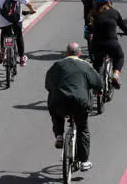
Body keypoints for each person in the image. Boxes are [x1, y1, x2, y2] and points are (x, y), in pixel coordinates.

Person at [45, 42, 102, 172]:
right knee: (82, 129)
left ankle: (59, 135)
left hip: (59, 102)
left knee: (56, 113)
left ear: (66, 53)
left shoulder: (56, 65)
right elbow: (98, 83)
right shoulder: (85, 66)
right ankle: (84, 162)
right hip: (79, 103)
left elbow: (48, 85)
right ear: (80, 54)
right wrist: (98, 90)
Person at [88, 0, 127, 89]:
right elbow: (123, 27)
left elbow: (88, 30)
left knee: (96, 64)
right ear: (108, 0)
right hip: (112, 43)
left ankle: (96, 86)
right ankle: (115, 75)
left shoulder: (91, 15)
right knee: (119, 57)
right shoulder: (114, 12)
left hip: (96, 44)